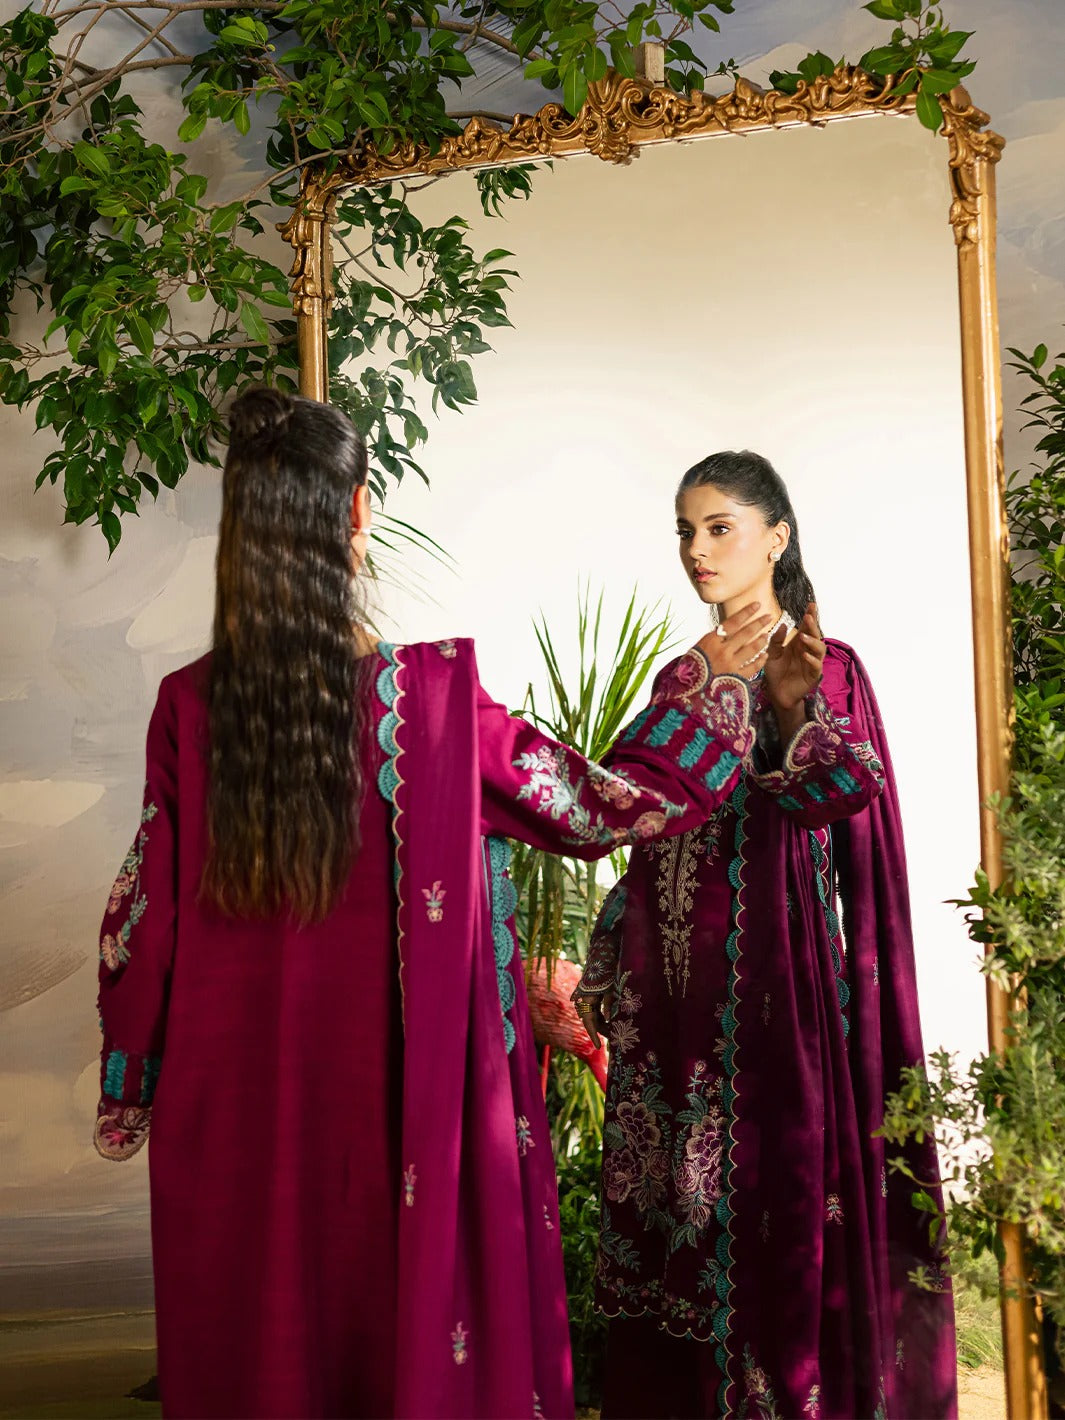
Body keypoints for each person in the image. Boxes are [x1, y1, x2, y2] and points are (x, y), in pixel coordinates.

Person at [92, 390, 782, 1420]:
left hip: (232, 1108)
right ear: (358, 513)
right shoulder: (431, 708)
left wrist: (132, 1080)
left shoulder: (188, 706)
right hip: (391, 1114)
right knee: (391, 1339)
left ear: (242, 528)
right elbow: (600, 804)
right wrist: (709, 691)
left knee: (255, 1352)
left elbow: (141, 922)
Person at [573, 451, 957, 1420]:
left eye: (720, 528)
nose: (696, 551)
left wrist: (786, 705)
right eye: (685, 531)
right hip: (672, 1001)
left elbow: (843, 794)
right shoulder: (682, 675)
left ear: (776, 536)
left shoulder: (828, 666)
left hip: (774, 988)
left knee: (769, 1214)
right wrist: (611, 956)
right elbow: (642, 820)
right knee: (677, 1216)